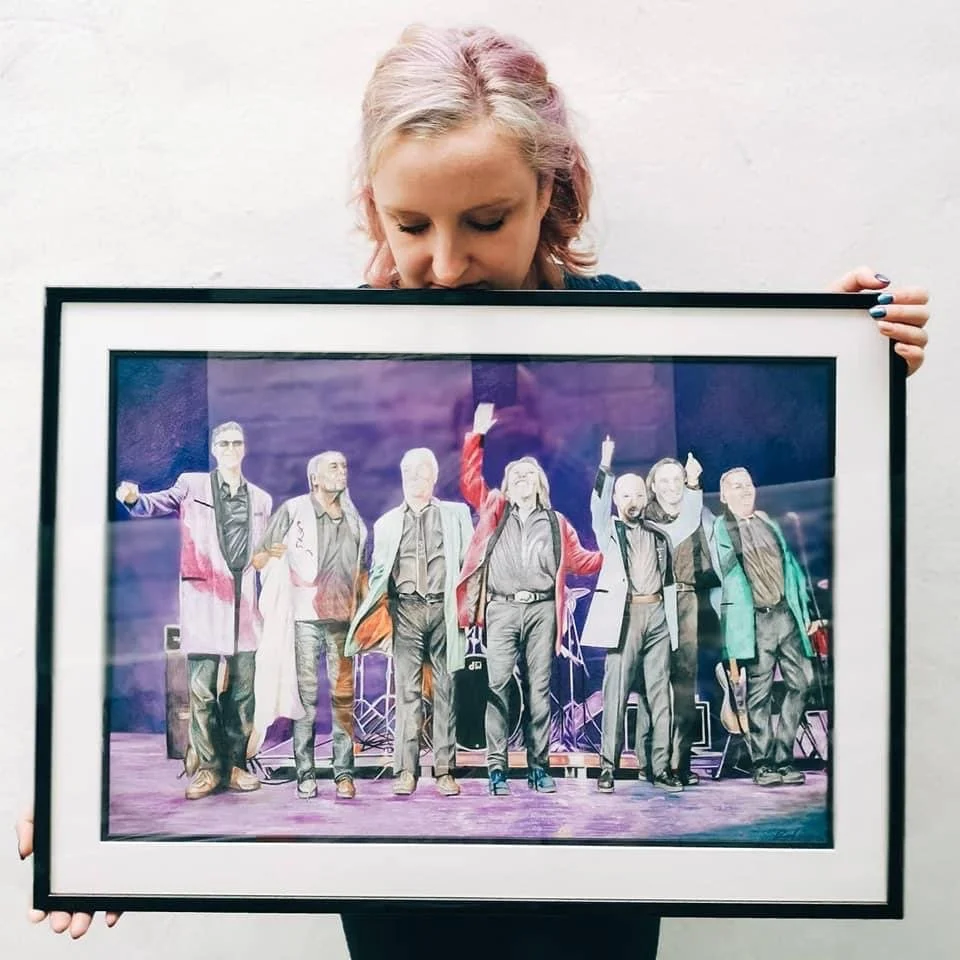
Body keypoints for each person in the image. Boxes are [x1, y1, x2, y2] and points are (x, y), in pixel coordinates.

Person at [18, 21, 930, 957]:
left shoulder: (642, 336)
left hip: (598, 894)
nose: (446, 264)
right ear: (373, 205)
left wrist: (839, 365)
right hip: (404, 893)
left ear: (550, 190)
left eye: (485, 222)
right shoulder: (327, 350)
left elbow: (724, 474)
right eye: (412, 225)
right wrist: (83, 802)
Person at [116, 420, 273, 801]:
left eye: (237, 442)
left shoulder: (262, 500)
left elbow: (265, 554)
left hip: (245, 603)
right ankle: (207, 769)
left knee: (242, 692)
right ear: (215, 450)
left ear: (244, 449)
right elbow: (158, 502)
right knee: (201, 690)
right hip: (205, 597)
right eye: (224, 442)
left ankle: (234, 765)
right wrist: (134, 499)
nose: (231, 448)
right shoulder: (193, 484)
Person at [456, 402, 603, 795]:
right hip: (502, 609)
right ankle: (497, 770)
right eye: (515, 475)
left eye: (528, 474)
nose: (521, 478)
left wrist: (615, 552)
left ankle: (540, 768)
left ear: (539, 484)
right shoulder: (494, 510)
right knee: (497, 686)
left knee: (539, 691)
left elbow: (583, 561)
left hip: (541, 611)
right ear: (507, 484)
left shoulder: (556, 524)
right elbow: (470, 482)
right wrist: (478, 435)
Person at [345, 447, 474, 796]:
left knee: (446, 690)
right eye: (410, 473)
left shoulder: (456, 514)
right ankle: (407, 770)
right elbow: (379, 573)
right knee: (408, 694)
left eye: (423, 472)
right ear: (402, 478)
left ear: (434, 477)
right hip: (406, 611)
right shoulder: (386, 522)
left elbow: (469, 562)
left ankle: (445, 770)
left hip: (443, 609)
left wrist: (468, 609)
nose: (416, 479)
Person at [581, 437, 693, 793]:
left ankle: (660, 768)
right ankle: (608, 768)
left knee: (660, 695)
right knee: (614, 693)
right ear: (618, 500)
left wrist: (691, 485)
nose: (633, 501)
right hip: (624, 617)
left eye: (638, 495)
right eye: (625, 495)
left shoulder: (660, 532)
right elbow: (597, 503)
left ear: (647, 499)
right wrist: (605, 464)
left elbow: (688, 519)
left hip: (658, 614)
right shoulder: (608, 530)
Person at [252, 451, 366, 801]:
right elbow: (258, 559)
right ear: (314, 477)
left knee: (343, 699)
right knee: (306, 700)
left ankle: (343, 774)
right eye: (334, 466)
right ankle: (306, 774)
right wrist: (276, 554)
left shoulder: (353, 517)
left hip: (343, 620)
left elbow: (360, 567)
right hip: (305, 619)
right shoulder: (294, 509)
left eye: (344, 465)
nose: (342, 471)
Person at [709, 467, 823, 787]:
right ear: (723, 495)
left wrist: (807, 610)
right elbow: (724, 569)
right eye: (736, 487)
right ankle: (762, 762)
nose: (745, 491)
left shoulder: (768, 521)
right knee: (758, 694)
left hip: (786, 616)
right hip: (755, 620)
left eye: (748, 485)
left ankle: (783, 756)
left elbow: (792, 567)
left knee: (803, 682)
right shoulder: (721, 526)